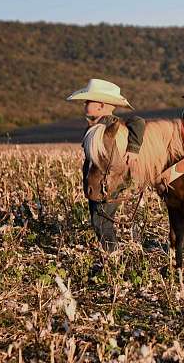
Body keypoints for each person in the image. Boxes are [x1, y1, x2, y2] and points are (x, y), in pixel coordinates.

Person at [67, 79, 145, 251]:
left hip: (107, 182)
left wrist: (134, 148)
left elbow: (138, 121)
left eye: (88, 101)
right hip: (99, 182)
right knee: (99, 220)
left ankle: (112, 254)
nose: (85, 104)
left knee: (101, 221)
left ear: (101, 105)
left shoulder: (110, 124)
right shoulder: (97, 126)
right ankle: (111, 253)